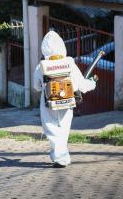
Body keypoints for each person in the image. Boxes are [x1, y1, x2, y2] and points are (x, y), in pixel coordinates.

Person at [33, 31, 96, 168]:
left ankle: (59, 156)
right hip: (67, 101)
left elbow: (36, 87)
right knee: (63, 128)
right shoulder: (69, 64)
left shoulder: (41, 66)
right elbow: (81, 84)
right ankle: (61, 156)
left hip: (48, 102)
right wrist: (92, 83)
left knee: (51, 128)